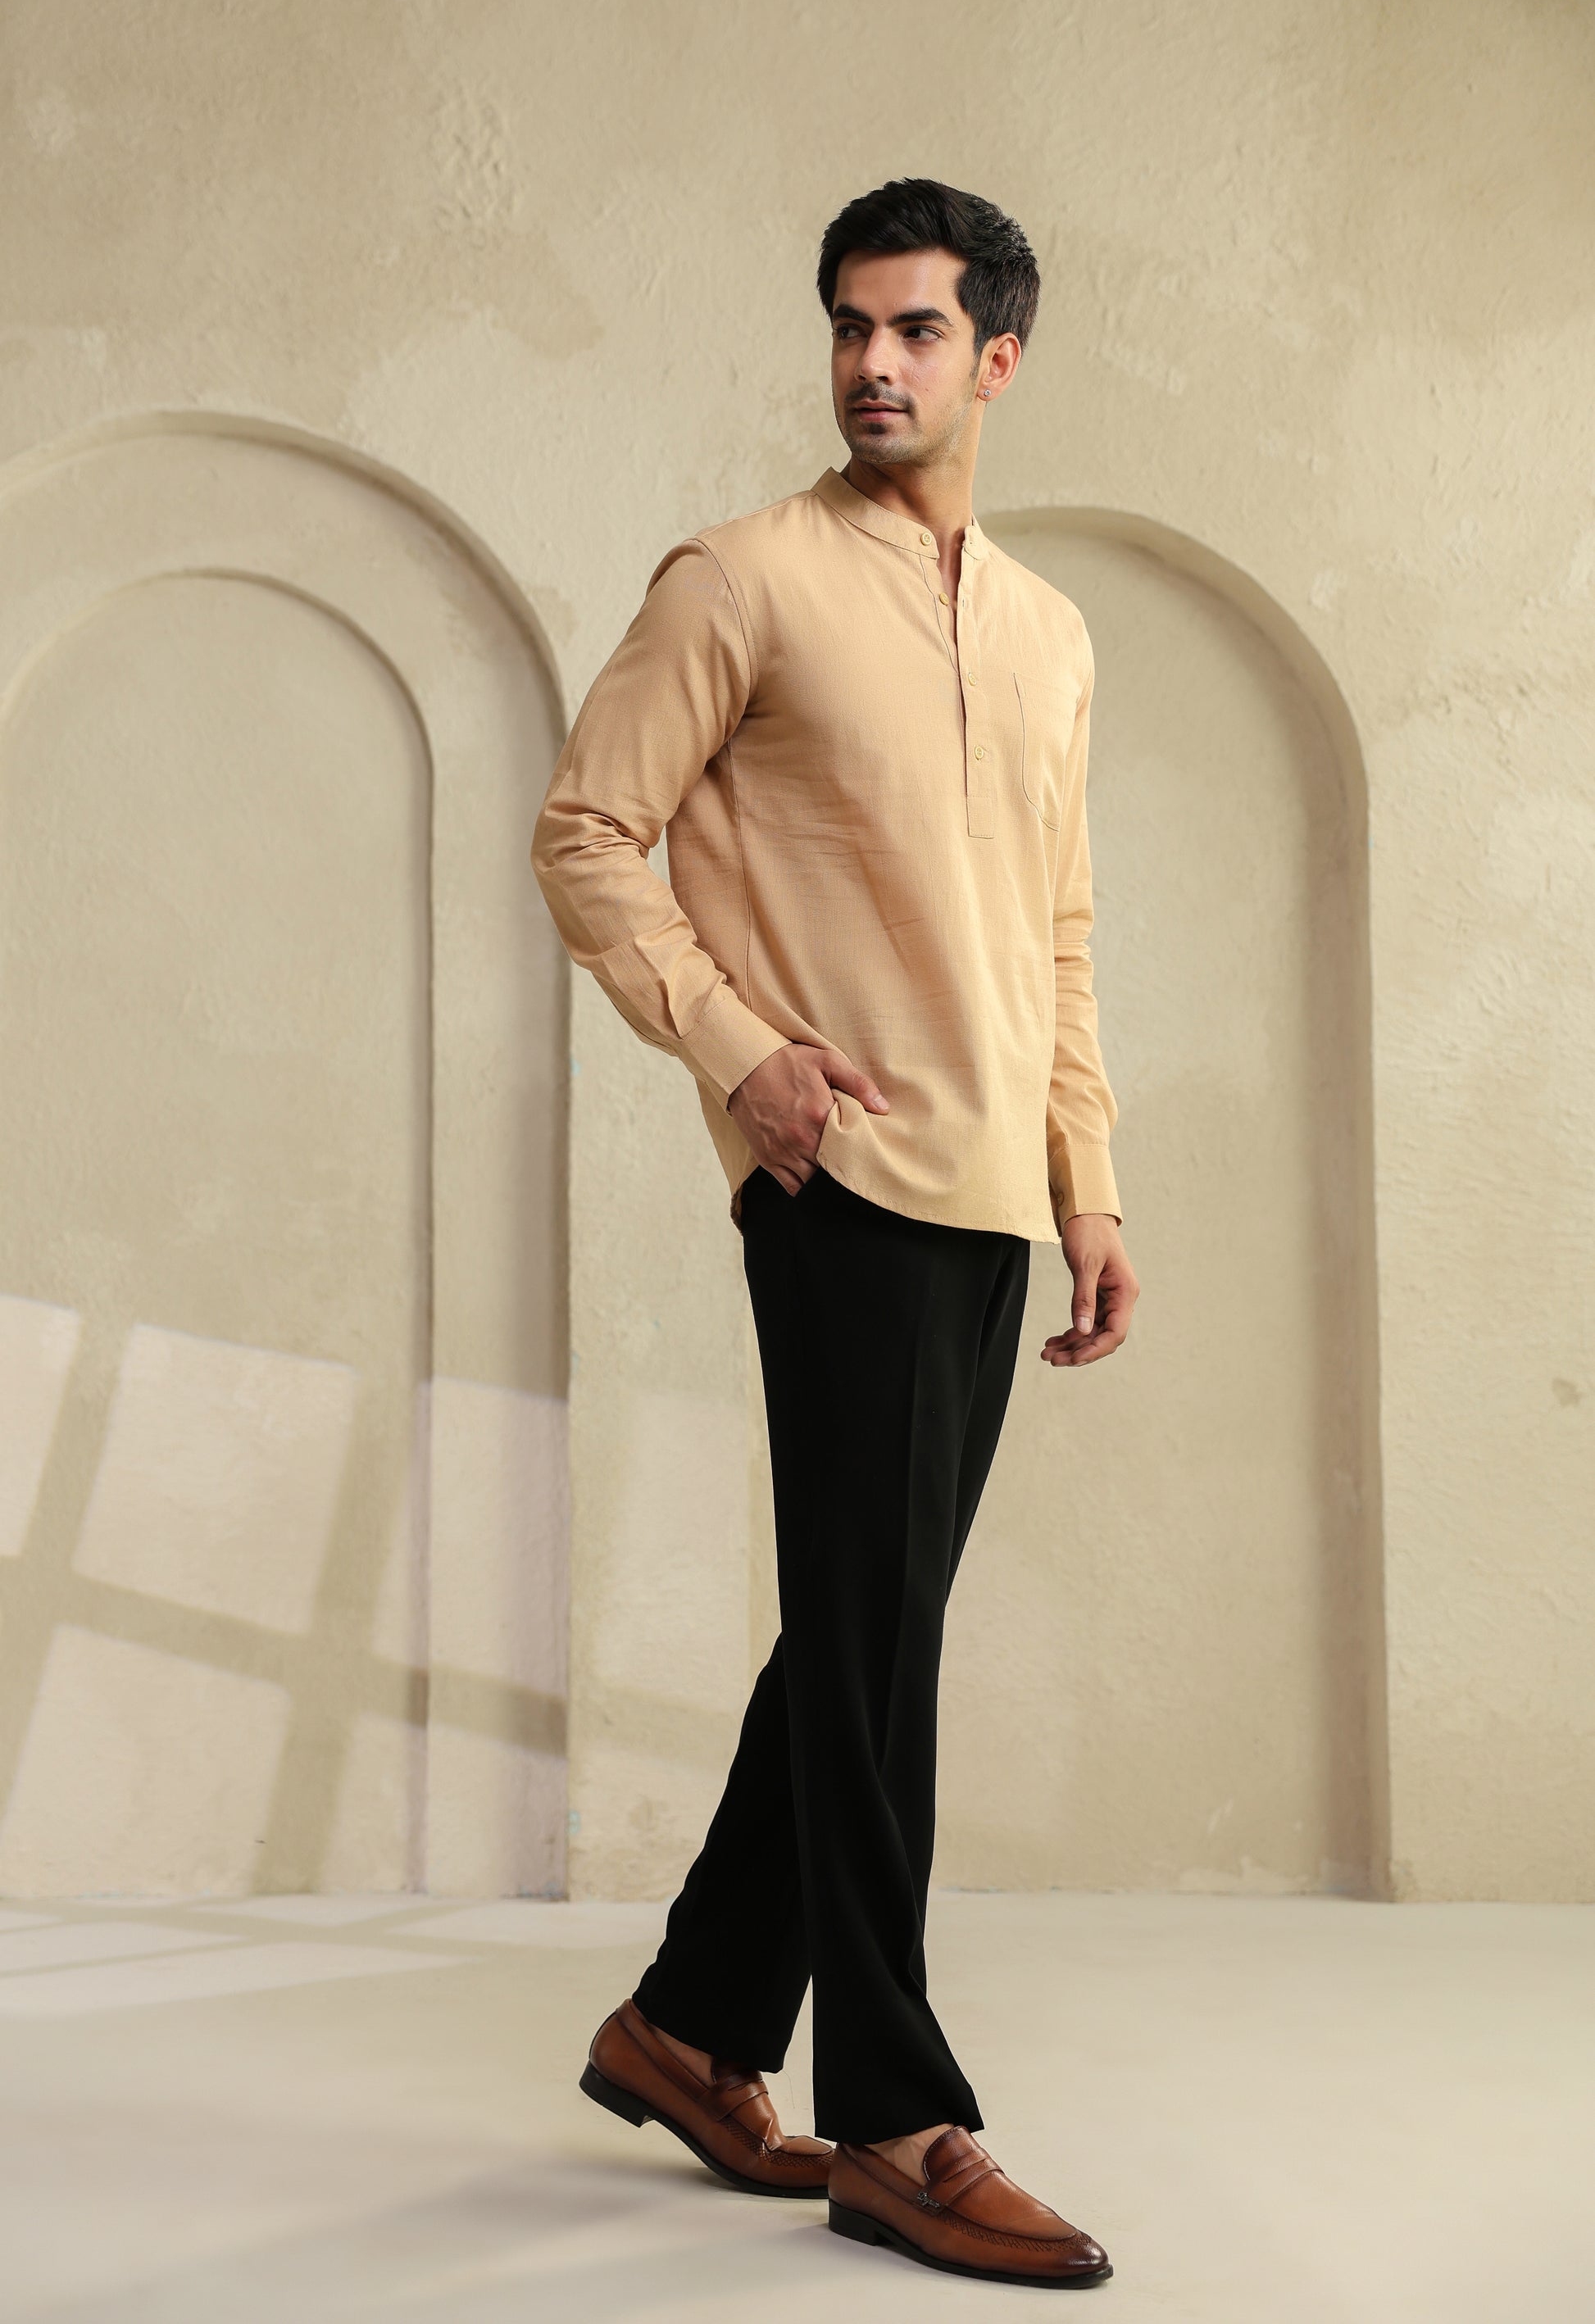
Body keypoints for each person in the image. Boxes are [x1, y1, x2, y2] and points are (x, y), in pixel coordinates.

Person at [531, 175, 1138, 2290]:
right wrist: (740, 1052)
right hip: (842, 1178)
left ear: (997, 358)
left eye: (914, 329)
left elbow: (1056, 930)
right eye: (848, 327)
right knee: (878, 1655)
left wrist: (1087, 1178)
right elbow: (586, 832)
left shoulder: (1050, 633)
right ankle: (896, 2116)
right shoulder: (745, 580)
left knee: (861, 1643)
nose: (872, 365)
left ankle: (693, 2027)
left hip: (992, 1194)